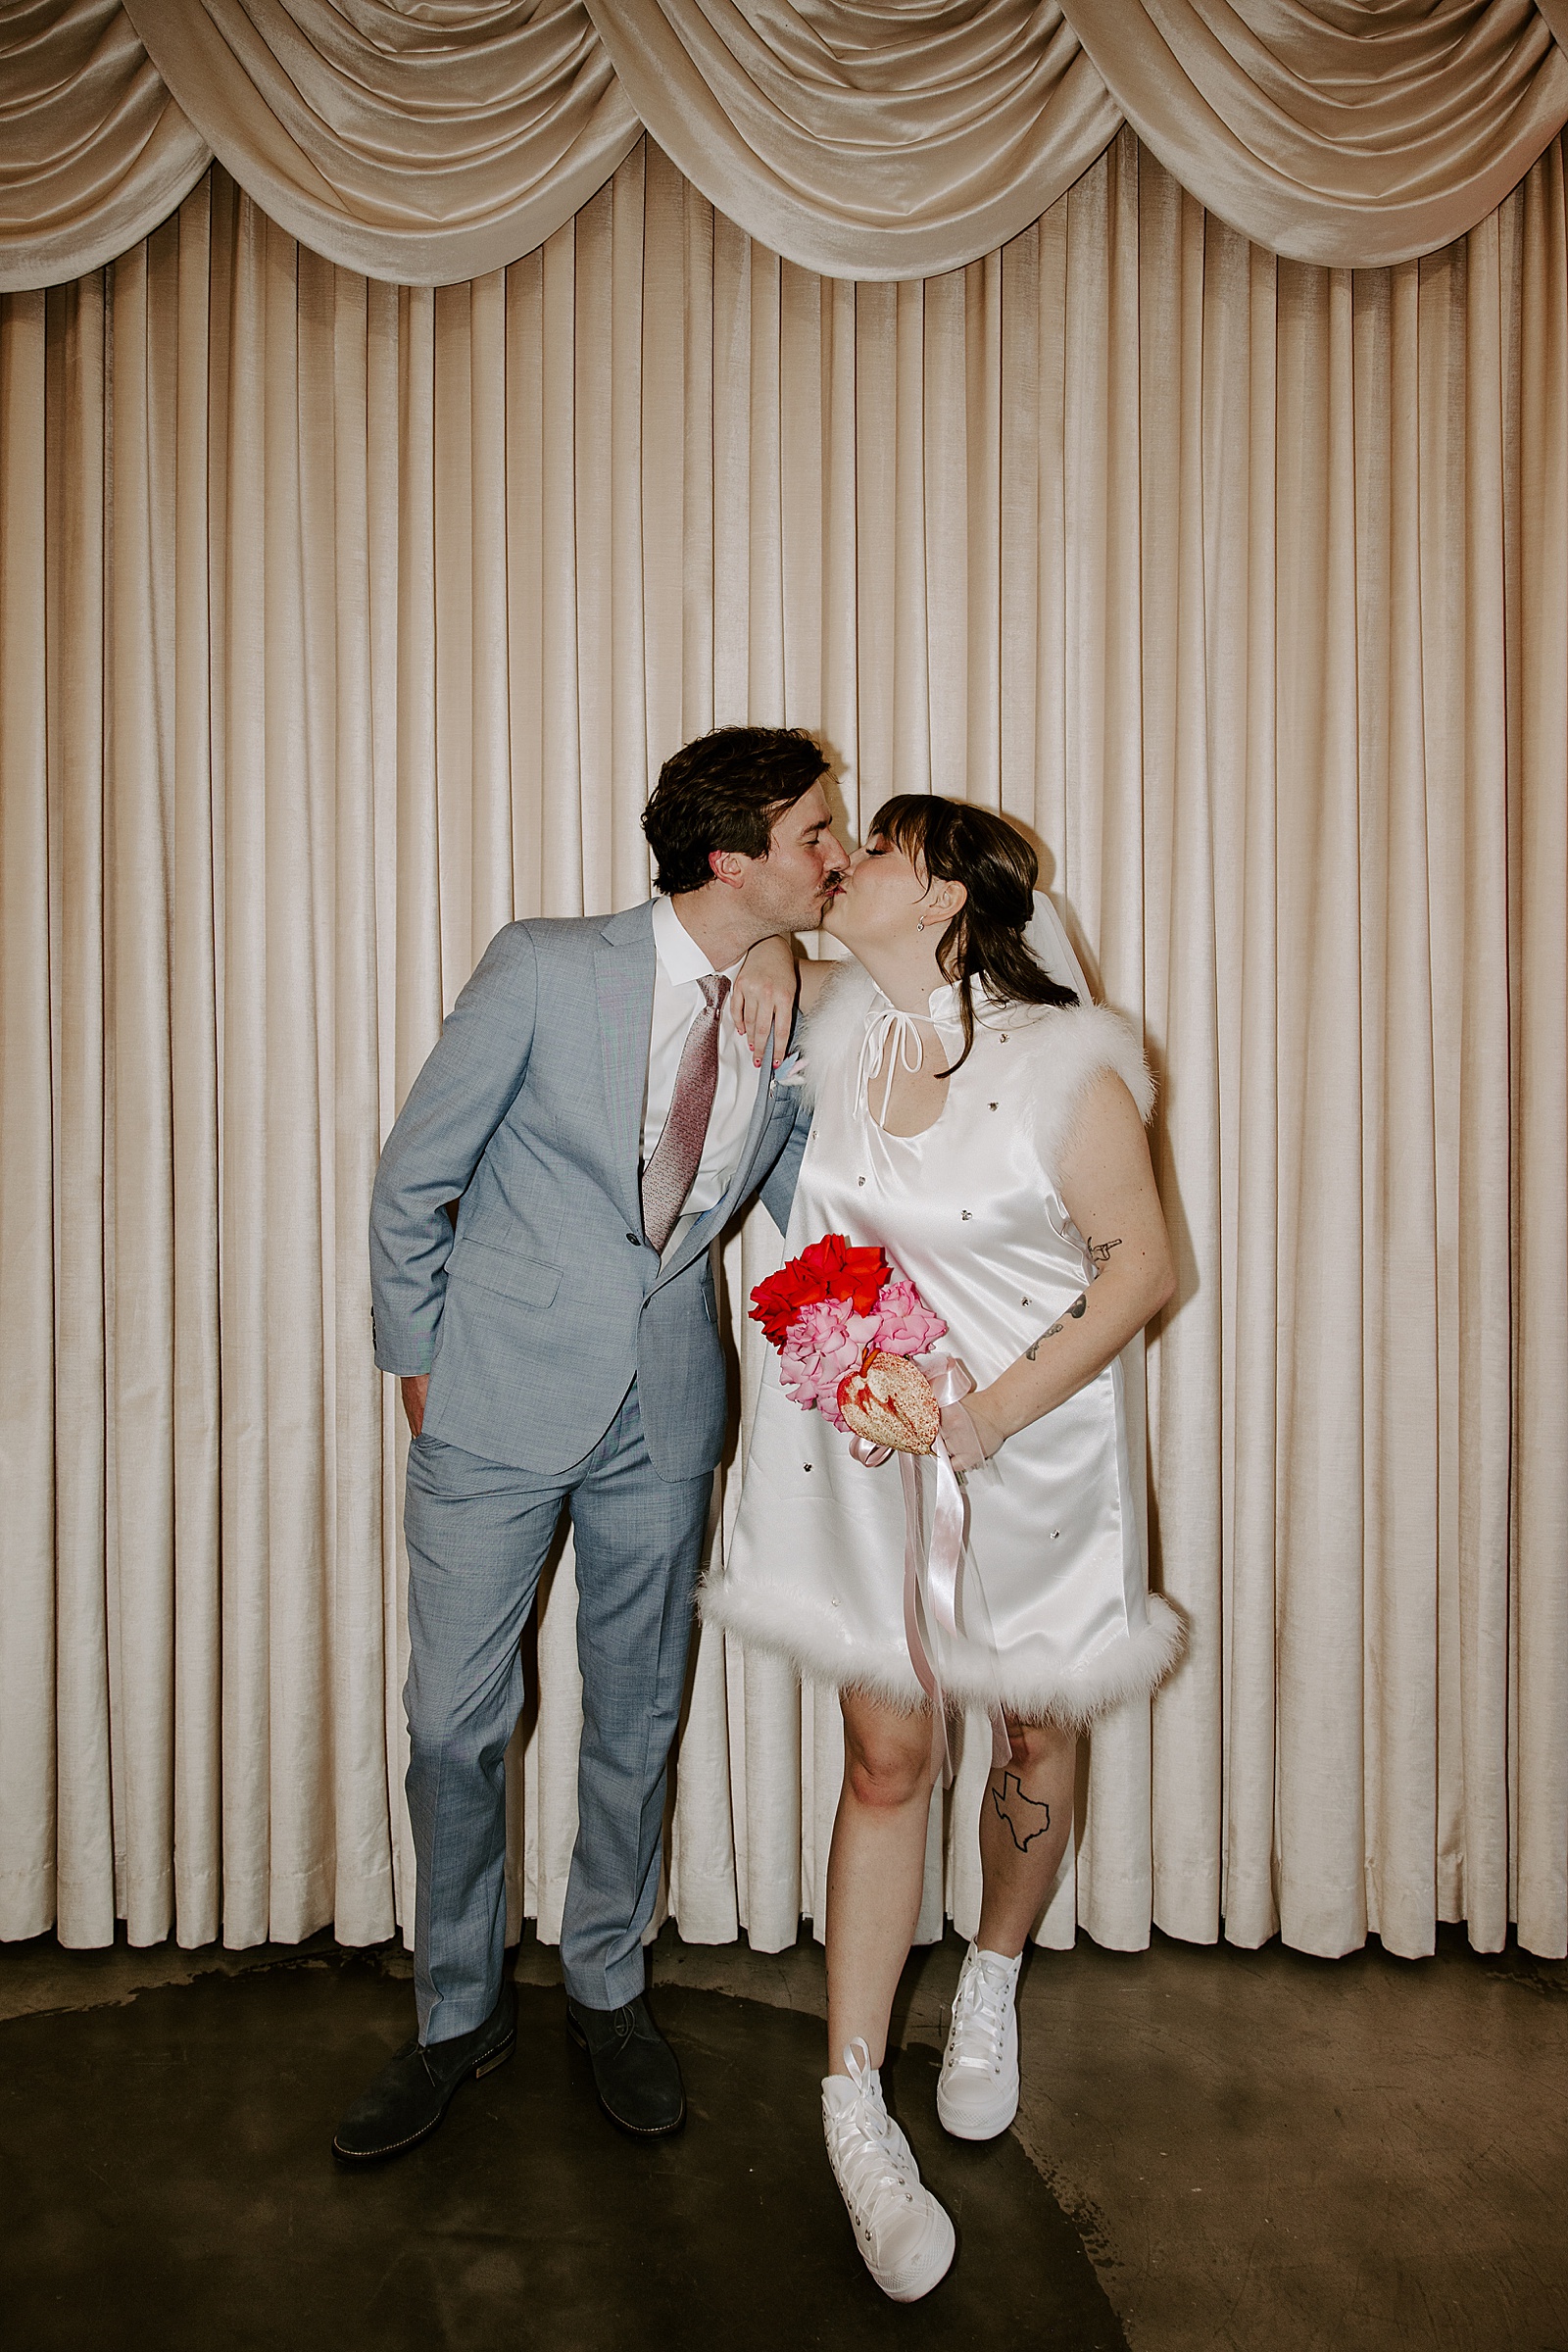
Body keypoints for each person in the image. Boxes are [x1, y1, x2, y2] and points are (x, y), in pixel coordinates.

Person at [334, 726, 848, 2163]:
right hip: (494, 1397)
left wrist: (800, 979)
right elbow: (411, 1180)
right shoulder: (547, 964)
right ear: (732, 855)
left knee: (638, 1717)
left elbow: (816, 1195)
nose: (837, 854)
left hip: (669, 1406)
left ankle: (608, 1988)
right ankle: (454, 2012)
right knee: (454, 1721)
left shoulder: (799, 999)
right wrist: (419, 1366)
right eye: (816, 831)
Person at [702, 796, 1182, 2300]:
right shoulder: (834, 1024)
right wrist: (777, 942)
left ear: (956, 899)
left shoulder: (1063, 1062)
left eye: (883, 852)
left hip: (1034, 1457)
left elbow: (1142, 1268)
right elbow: (737, 958)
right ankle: (853, 2104)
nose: (847, 862)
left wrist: (984, 1420)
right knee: (887, 1760)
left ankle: (991, 1980)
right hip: (866, 1469)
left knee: (1034, 1733)